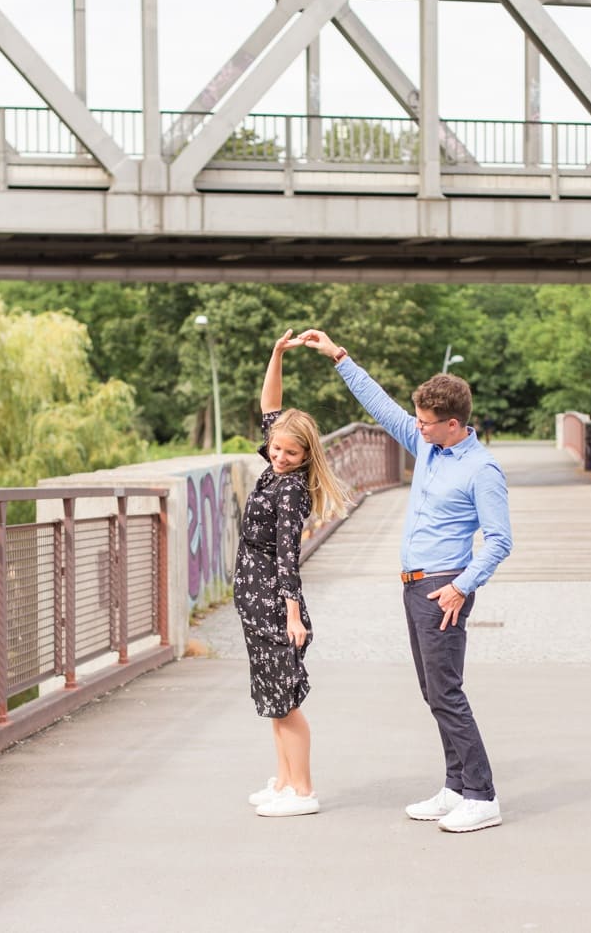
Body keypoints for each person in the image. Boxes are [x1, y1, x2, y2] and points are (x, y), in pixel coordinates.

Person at [299, 328, 513, 834]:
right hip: (413, 586)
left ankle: (482, 795)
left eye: (426, 422)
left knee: (447, 692)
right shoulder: (429, 446)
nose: (416, 426)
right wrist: (339, 357)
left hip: (443, 587)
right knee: (432, 690)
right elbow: (383, 408)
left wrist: (463, 585)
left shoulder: (482, 470)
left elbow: (500, 541)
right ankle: (455, 786)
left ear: (453, 424)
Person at [238, 330, 351, 818]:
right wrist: (276, 355)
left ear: (306, 456)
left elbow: (288, 556)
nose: (278, 456)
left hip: (273, 605)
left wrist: (293, 616)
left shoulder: (290, 491)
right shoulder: (273, 465)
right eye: (275, 449)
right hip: (255, 600)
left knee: (285, 701)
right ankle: (283, 782)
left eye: (289, 453)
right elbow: (271, 403)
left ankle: (302, 791)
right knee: (271, 697)